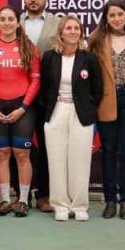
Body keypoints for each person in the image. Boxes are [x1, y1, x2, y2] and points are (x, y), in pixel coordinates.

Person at [40, 15, 103, 222]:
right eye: (68, 28)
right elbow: (43, 89)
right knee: (56, 159)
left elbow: (98, 89)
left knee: (80, 159)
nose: (73, 32)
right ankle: (60, 205)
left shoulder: (89, 59)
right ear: (61, 33)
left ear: (81, 32)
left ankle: (79, 205)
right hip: (56, 112)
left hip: (81, 115)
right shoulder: (50, 57)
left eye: (76, 28)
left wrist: (88, 108)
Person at [0, 5, 40, 218]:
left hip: (23, 108)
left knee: (22, 154)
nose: (6, 23)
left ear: (17, 22)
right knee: (2, 153)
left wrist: (23, 108)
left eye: (10, 19)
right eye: (3, 19)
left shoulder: (29, 47)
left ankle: (23, 200)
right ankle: (5, 199)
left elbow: (35, 81)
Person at [88, 0, 125, 220]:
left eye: (120, 14)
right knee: (109, 151)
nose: (116, 19)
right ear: (106, 18)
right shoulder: (96, 40)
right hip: (107, 100)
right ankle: (110, 200)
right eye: (112, 15)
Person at [17, 0, 61, 213]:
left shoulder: (58, 23)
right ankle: (19, 194)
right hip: (17, 94)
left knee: (46, 146)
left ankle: (44, 194)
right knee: (18, 146)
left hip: (47, 95)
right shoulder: (13, 22)